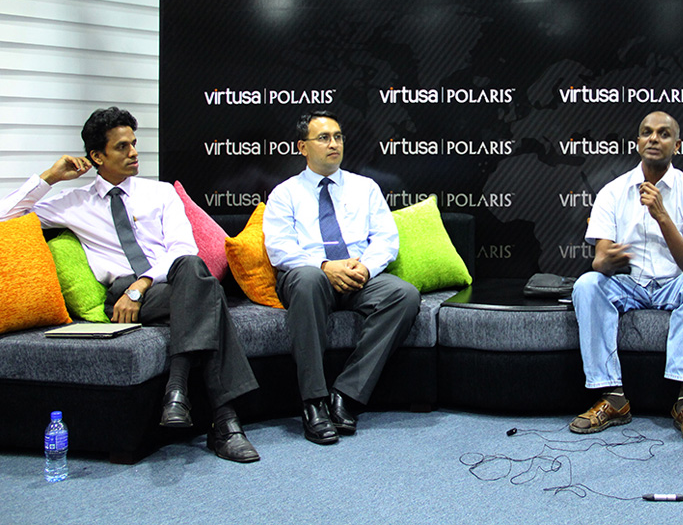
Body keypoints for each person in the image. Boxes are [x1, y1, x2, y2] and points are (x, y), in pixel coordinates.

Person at [0, 107, 260, 463]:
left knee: (195, 273)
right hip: (120, 296)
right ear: (97, 156)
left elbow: (184, 250)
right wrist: (49, 177)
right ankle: (225, 424)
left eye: (134, 143)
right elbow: (5, 217)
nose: (134, 152)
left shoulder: (161, 193)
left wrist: (142, 283)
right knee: (207, 292)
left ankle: (178, 391)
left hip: (160, 286)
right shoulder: (73, 202)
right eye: (122, 147)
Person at [262, 111, 419, 445]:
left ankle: (346, 394)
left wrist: (366, 268)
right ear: (302, 147)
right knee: (308, 280)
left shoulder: (365, 187)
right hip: (309, 276)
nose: (333, 144)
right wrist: (323, 266)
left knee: (403, 295)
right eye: (323, 138)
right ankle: (313, 402)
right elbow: (280, 248)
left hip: (357, 274)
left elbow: (386, 238)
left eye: (337, 137)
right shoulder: (285, 193)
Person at [570, 111, 683, 444]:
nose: (654, 138)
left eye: (664, 134)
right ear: (637, 142)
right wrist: (607, 260)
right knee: (587, 285)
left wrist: (662, 216)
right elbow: (599, 261)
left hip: (675, 283)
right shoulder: (613, 191)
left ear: (676, 145)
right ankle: (613, 397)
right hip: (630, 284)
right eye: (647, 132)